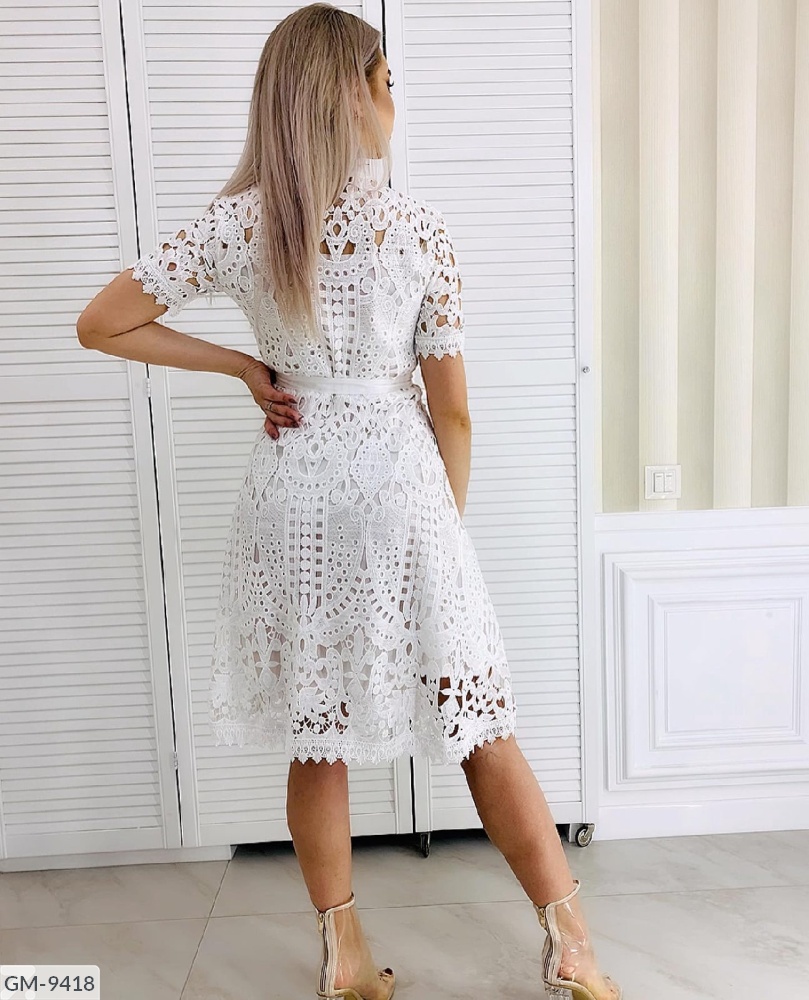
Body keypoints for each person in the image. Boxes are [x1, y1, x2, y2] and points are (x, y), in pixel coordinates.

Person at [76, 5, 622, 999]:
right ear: (353, 95)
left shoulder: (240, 223)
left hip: (293, 493)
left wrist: (244, 366)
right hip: (400, 489)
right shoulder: (413, 228)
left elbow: (102, 322)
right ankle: (572, 944)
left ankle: (344, 956)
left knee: (316, 730)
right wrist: (445, 526)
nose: (394, 103)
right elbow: (452, 412)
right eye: (387, 83)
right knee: (478, 718)